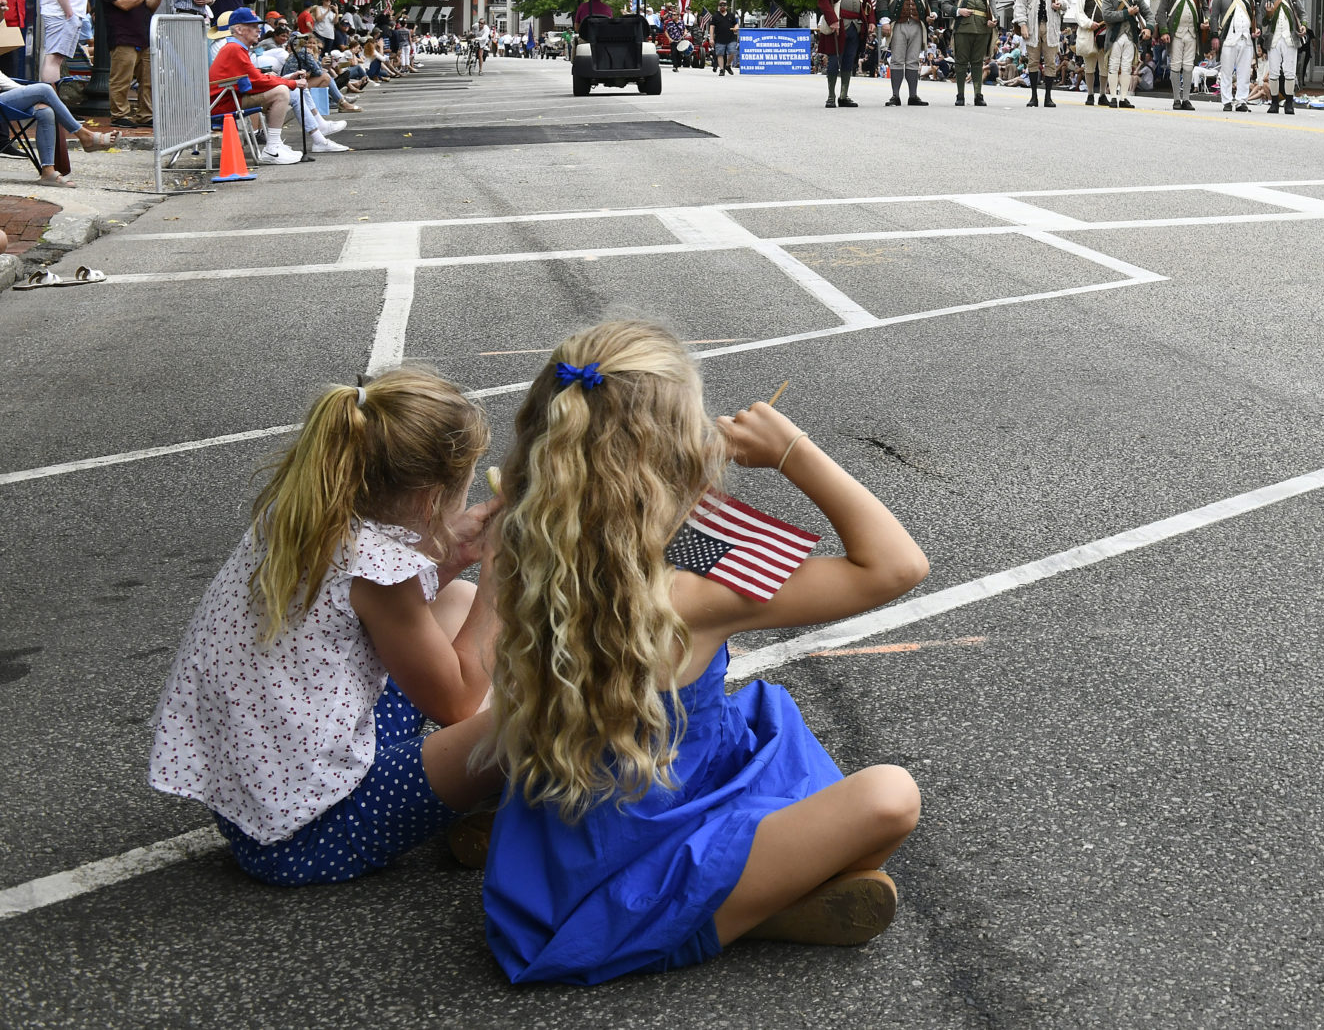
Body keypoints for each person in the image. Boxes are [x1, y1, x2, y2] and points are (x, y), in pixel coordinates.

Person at [479, 321, 929, 983]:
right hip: (645, 856)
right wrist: (793, 451)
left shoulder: (533, 536)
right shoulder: (695, 593)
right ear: (679, 451)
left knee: (761, 718)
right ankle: (731, 916)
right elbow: (896, 565)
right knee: (891, 797)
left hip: (568, 825)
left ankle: (738, 894)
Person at [148, 367, 505, 884]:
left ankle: (479, 789)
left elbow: (362, 601)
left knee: (456, 599)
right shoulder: (381, 575)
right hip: (305, 836)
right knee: (526, 725)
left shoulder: (301, 512)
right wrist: (499, 570)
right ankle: (512, 807)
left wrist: (450, 551)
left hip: (260, 803)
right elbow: (458, 701)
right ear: (432, 498)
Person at [209, 6, 307, 163]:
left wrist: (287, 78)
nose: (258, 30)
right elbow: (257, 82)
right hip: (223, 104)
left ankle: (275, 145)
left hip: (227, 99)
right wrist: (291, 82)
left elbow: (252, 80)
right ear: (239, 29)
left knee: (280, 89)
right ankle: (272, 148)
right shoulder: (234, 49)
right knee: (281, 92)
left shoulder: (235, 47)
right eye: (253, 26)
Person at [95, 0, 164, 127]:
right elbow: (125, 4)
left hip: (143, 38)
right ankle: (119, 115)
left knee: (147, 81)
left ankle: (145, 115)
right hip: (123, 38)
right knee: (121, 79)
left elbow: (149, 6)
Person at [815, 0, 872, 109]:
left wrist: (872, 22)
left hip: (856, 24)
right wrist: (832, 19)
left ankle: (843, 95)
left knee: (849, 60)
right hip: (838, 23)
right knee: (834, 59)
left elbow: (867, 0)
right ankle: (831, 96)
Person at [877, 0, 934, 107]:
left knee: (913, 61)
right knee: (897, 60)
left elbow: (932, 0)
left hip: (917, 25)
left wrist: (933, 13)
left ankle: (913, 95)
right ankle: (895, 95)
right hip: (897, 24)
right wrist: (885, 21)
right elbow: (882, 0)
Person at [938, 0, 997, 106]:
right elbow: (945, 4)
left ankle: (978, 94)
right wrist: (958, 11)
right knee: (961, 62)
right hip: (962, 26)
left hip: (982, 25)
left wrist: (995, 18)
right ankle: (960, 95)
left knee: (978, 62)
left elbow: (992, 2)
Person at [1011, 0, 1068, 107]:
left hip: (1051, 26)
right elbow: (1020, 4)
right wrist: (1022, 24)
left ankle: (1048, 97)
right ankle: (1034, 96)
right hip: (1032, 26)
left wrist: (1060, 3)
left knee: (1050, 61)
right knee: (1033, 61)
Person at [1154, 0, 1207, 111]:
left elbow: (1205, 8)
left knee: (1189, 66)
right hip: (1175, 33)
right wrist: (1164, 31)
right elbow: (1161, 12)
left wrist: (1206, 21)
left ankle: (1187, 99)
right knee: (1176, 65)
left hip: (1192, 33)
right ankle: (1176, 98)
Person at [1257, 0, 1308, 117]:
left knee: (1290, 71)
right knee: (1273, 71)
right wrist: (1268, 14)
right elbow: (1262, 22)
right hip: (1273, 39)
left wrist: (1304, 26)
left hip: (1290, 38)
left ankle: (1289, 102)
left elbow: (1302, 13)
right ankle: (1273, 102)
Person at [1205, 0, 1257, 114]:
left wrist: (1257, 28)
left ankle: (1242, 101)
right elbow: (1214, 17)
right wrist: (1214, 36)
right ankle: (1227, 100)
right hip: (1228, 39)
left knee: (1244, 72)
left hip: (1245, 38)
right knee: (1227, 72)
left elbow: (1256, 13)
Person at [1098, 0, 1145, 109]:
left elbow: (1148, 13)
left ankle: (1123, 97)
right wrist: (1127, 13)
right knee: (1113, 66)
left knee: (1126, 67)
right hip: (1114, 36)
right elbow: (1107, 16)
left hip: (1131, 36)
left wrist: (1148, 28)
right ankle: (1113, 97)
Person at [710, 0, 740, 76]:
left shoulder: (731, 15)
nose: (722, 7)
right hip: (719, 39)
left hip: (731, 38)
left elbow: (736, 24)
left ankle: (727, 65)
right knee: (720, 54)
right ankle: (721, 70)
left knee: (732, 52)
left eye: (724, 5)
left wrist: (736, 28)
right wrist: (711, 38)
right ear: (719, 7)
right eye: (721, 5)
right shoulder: (715, 16)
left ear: (726, 7)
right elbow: (712, 27)